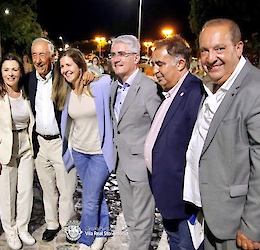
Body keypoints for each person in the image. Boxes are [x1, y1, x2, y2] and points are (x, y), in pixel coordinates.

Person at [183, 18, 260, 250]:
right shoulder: (212, 85)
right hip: (214, 217)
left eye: (219, 48)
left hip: (239, 228)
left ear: (239, 48)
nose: (210, 57)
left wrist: (252, 227)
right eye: (204, 50)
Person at [144, 35, 204, 250]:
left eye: (160, 64)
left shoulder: (194, 92)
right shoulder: (171, 91)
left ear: (181, 63)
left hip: (183, 201)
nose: (155, 70)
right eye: (153, 64)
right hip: (168, 195)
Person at [53, 48, 115, 250]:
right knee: (95, 194)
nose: (64, 70)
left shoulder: (98, 85)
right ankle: (102, 232)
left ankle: (86, 239)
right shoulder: (67, 93)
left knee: (88, 198)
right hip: (79, 152)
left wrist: (95, 74)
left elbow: (110, 78)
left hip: (99, 153)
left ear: (80, 66)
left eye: (68, 65)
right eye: (62, 66)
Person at [22, 38, 78, 242]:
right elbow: (8, 82)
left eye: (42, 54)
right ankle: (52, 223)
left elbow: (82, 79)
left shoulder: (62, 76)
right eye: (34, 55)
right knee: (47, 188)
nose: (38, 60)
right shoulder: (29, 80)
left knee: (67, 189)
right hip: (40, 143)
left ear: (52, 56)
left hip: (60, 143)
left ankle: (69, 224)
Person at [110, 35, 161, 250]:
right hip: (121, 163)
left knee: (142, 221)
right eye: (113, 54)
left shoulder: (148, 87)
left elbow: (160, 128)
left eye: (122, 54)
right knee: (130, 217)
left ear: (136, 57)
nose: (116, 59)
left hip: (142, 166)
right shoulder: (114, 85)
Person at [0, 54, 36, 250]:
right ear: (1, 72)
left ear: (21, 71)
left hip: (25, 144)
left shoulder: (26, 91)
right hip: (5, 146)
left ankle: (22, 227)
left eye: (14, 69)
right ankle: (10, 230)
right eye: (6, 69)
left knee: (26, 190)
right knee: (6, 193)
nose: (10, 73)